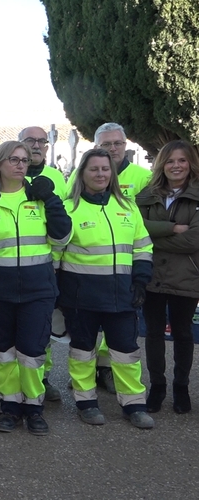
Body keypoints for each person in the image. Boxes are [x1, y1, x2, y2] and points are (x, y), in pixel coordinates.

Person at [0, 140, 72, 435]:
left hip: (37, 290)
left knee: (31, 351)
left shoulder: (40, 197)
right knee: (3, 352)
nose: (20, 165)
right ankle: (10, 407)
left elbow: (62, 237)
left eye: (24, 160)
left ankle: (34, 407)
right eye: (13, 160)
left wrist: (52, 200)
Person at [56, 149, 154, 429]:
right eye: (94, 169)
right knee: (83, 351)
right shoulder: (68, 209)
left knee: (126, 352)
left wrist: (140, 281)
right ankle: (86, 403)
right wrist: (58, 293)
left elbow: (143, 246)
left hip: (122, 295)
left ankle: (134, 404)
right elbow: (56, 254)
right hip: (80, 296)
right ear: (81, 174)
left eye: (105, 169)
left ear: (112, 174)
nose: (100, 174)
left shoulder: (127, 207)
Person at [135, 140, 199, 414]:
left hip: (187, 277)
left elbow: (193, 242)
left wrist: (152, 236)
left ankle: (181, 387)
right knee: (153, 333)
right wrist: (172, 228)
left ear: (190, 163)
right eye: (171, 160)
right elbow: (135, 228)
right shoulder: (147, 194)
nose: (176, 166)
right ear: (162, 164)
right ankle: (157, 388)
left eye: (182, 160)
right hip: (153, 276)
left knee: (183, 333)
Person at [18, 126, 68, 402]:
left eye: (41, 141)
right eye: (30, 141)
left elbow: (66, 219)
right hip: (11, 267)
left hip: (51, 266)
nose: (36, 145)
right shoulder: (5, 176)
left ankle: (42, 379)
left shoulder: (57, 178)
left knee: (43, 328)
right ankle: (11, 382)